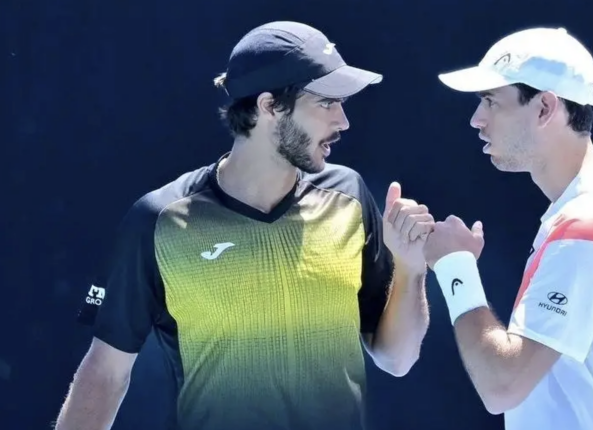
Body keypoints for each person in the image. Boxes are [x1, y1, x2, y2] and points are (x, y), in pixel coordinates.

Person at [55, 21, 432, 430]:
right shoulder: (158, 219)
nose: (343, 121)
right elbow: (105, 374)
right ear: (270, 106)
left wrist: (411, 269)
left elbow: (397, 358)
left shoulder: (351, 196)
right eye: (326, 103)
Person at [423, 27, 593, 430]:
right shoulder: (592, 211)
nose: (477, 119)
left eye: (491, 102)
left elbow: (502, 386)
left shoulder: (591, 224)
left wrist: (454, 267)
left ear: (545, 108)